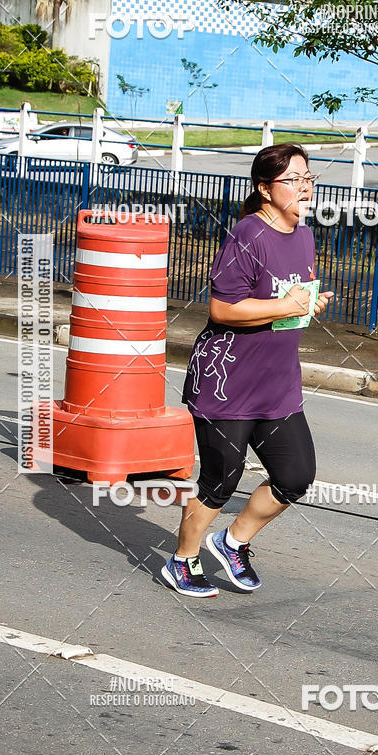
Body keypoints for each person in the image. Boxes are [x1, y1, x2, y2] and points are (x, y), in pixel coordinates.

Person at [160, 143, 333, 598]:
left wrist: (306, 304)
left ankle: (233, 541)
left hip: (277, 384)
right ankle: (183, 560)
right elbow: (222, 309)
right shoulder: (247, 236)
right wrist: (284, 305)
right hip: (227, 382)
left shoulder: (304, 234)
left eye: (307, 177)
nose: (304, 187)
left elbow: (289, 300)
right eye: (292, 179)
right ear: (264, 188)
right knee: (220, 479)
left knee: (295, 476)